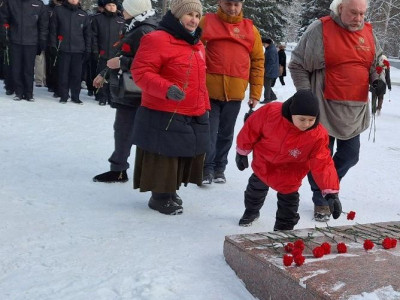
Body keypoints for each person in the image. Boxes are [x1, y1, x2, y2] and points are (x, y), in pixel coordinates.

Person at [288, 0, 384, 222]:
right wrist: (306, 96)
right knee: (321, 158)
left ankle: (329, 187)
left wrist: (377, 79)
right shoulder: (320, 29)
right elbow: (298, 64)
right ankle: (321, 200)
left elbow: (376, 62)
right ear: (340, 9)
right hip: (323, 108)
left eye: (362, 14)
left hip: (355, 112)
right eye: (353, 13)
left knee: (351, 156)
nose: (358, 18)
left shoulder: (368, 34)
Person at [130, 0, 210, 215]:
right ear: (176, 16)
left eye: (196, 15)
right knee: (164, 154)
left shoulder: (197, 43)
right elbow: (141, 73)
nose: (194, 19)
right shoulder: (156, 39)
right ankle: (160, 196)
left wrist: (204, 105)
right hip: (163, 107)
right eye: (189, 15)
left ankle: (170, 191)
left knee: (181, 152)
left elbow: (199, 80)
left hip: (192, 108)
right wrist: (166, 89)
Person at [236, 90, 341, 229]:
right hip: (264, 162)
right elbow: (251, 129)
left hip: (291, 170)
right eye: (302, 119)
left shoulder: (317, 136)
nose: (306, 124)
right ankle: (251, 211)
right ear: (292, 113)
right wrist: (242, 152)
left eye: (311, 120)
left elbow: (323, 163)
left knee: (289, 206)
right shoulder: (271, 112)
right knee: (254, 191)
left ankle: (282, 233)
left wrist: (331, 193)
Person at [92, 0, 158, 183]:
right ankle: (120, 168)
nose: (122, 10)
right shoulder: (136, 26)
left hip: (135, 91)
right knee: (124, 130)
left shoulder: (145, 30)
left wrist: (122, 64)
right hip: (130, 89)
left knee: (125, 130)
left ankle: (120, 170)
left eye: (126, 8)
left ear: (136, 9)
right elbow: (123, 53)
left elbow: (149, 63)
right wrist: (104, 73)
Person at [199, 0, 264, 185]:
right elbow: (193, 50)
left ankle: (220, 167)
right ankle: (207, 168)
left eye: (236, 4)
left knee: (226, 133)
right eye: (228, 3)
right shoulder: (207, 22)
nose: (232, 8)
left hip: (235, 94)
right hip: (209, 92)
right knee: (210, 132)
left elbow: (258, 62)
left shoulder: (251, 30)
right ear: (220, 2)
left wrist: (255, 93)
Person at [2, 0, 48, 101]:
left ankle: (29, 93)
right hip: (15, 40)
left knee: (29, 69)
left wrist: (42, 40)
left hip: (31, 42)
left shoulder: (39, 4)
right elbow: (4, 20)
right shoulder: (10, 2)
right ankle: (18, 92)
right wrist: (4, 36)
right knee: (16, 68)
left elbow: (43, 25)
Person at [49, 0, 91, 104]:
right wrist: (53, 45)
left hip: (78, 49)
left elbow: (87, 34)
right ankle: (63, 95)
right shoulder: (58, 10)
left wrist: (87, 49)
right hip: (63, 48)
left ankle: (75, 96)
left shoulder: (83, 14)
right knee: (63, 73)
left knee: (77, 75)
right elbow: (53, 29)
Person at [91, 0, 125, 105]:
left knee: (114, 76)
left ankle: (112, 97)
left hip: (116, 54)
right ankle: (102, 96)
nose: (111, 7)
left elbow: (124, 38)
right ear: (105, 6)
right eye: (109, 5)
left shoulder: (121, 20)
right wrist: (96, 50)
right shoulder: (98, 19)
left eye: (113, 5)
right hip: (103, 52)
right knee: (102, 74)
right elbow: (94, 36)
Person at [260, 38, 279, 104]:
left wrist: (266, 71)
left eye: (263, 44)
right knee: (266, 85)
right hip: (270, 71)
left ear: (267, 43)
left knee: (267, 85)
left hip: (270, 72)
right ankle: (273, 96)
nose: (263, 45)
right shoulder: (270, 49)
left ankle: (267, 99)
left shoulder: (271, 50)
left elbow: (271, 63)